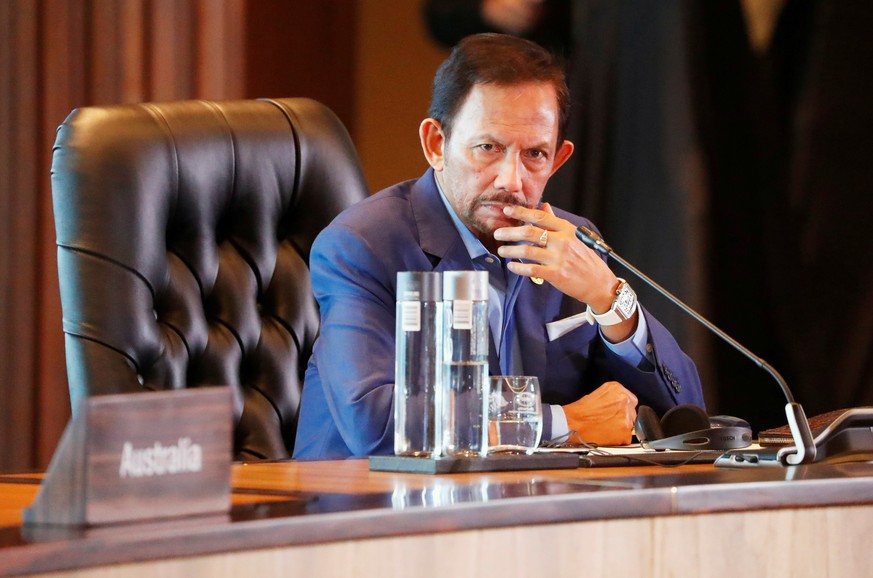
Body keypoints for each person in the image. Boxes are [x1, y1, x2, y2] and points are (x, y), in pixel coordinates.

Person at [293, 33, 704, 460]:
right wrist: (563, 423)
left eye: (534, 155)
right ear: (437, 145)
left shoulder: (572, 241)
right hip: (371, 511)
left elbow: (684, 415)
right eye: (488, 148)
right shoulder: (362, 246)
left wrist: (608, 299)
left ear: (558, 160)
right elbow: (375, 422)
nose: (511, 180)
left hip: (529, 511)